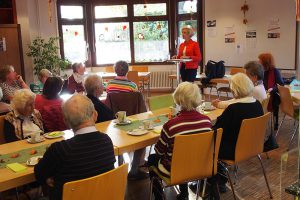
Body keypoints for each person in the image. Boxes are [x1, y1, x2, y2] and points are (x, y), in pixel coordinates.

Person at [34, 94, 116, 200]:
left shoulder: (59, 150)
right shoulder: (106, 141)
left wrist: (51, 178)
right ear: (95, 115)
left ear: (66, 122)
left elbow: (39, 175)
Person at [148, 82, 212, 200]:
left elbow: (159, 152)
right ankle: (184, 194)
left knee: (152, 159)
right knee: (185, 155)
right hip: (201, 165)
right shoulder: (207, 121)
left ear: (178, 99)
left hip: (176, 169)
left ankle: (159, 196)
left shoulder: (171, 125)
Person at [213, 73, 263, 192]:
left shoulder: (233, 109)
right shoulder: (257, 104)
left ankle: (215, 183)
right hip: (252, 146)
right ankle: (217, 181)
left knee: (207, 144)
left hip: (233, 149)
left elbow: (217, 131)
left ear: (234, 89)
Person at [258, 53, 284, 130]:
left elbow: (281, 84)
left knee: (275, 99)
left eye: (260, 61)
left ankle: (275, 123)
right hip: (263, 93)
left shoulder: (275, 71)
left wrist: (272, 89)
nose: (258, 62)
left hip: (273, 94)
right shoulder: (261, 71)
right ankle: (259, 120)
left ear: (265, 62)